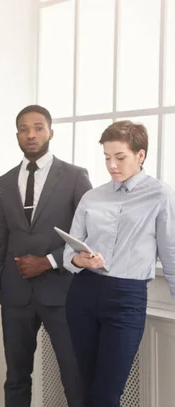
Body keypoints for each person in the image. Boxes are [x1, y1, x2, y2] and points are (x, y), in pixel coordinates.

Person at [0, 105, 91, 407]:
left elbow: (90, 236)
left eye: (38, 127)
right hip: (15, 298)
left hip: (64, 294)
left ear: (51, 132)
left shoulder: (74, 177)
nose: (31, 134)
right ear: (17, 135)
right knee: (16, 378)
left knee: (74, 376)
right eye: (24, 129)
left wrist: (48, 261)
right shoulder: (3, 184)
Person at [64, 120, 175, 407]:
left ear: (140, 155)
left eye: (120, 157)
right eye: (107, 158)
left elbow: (171, 255)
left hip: (127, 299)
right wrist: (80, 258)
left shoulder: (160, 196)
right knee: (87, 388)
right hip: (83, 295)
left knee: (107, 393)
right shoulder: (92, 197)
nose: (112, 165)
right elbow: (68, 253)